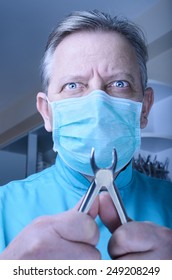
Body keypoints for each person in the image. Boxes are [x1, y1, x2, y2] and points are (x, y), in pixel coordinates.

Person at [0, 10, 172, 260]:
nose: (97, 104)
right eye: (73, 85)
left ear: (144, 108)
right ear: (47, 112)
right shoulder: (3, 206)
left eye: (119, 84)